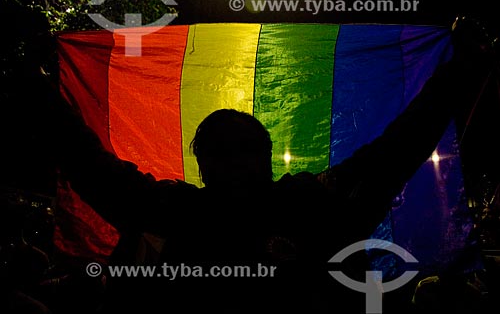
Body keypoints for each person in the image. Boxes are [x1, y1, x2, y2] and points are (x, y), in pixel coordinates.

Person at [47, 19, 497, 313]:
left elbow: (394, 151)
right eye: (222, 153)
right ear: (203, 167)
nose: (236, 163)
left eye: (245, 149)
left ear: (265, 155)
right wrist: (37, 96)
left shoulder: (308, 202)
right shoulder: (178, 209)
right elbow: (94, 170)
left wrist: (460, 71)